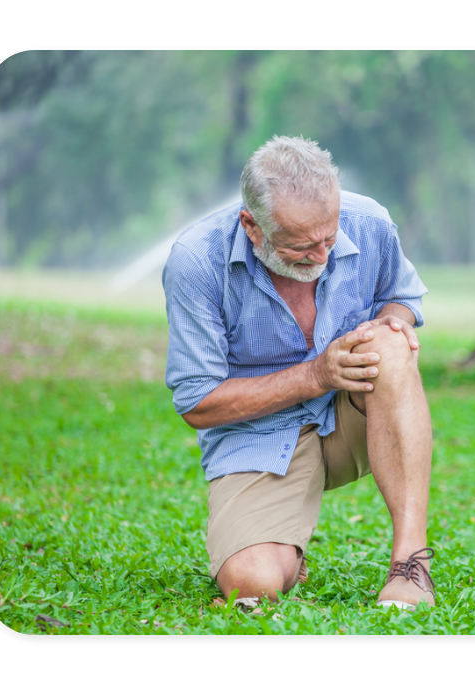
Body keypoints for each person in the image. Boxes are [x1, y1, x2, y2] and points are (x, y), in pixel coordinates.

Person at [163, 135, 435, 609]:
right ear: (252, 225)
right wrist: (315, 376)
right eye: (301, 247)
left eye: (329, 238)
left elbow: (402, 298)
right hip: (257, 437)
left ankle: (411, 564)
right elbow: (198, 403)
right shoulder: (196, 261)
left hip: (355, 419)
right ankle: (281, 547)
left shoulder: (368, 221)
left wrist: (392, 322)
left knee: (391, 344)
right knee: (253, 585)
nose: (323, 256)